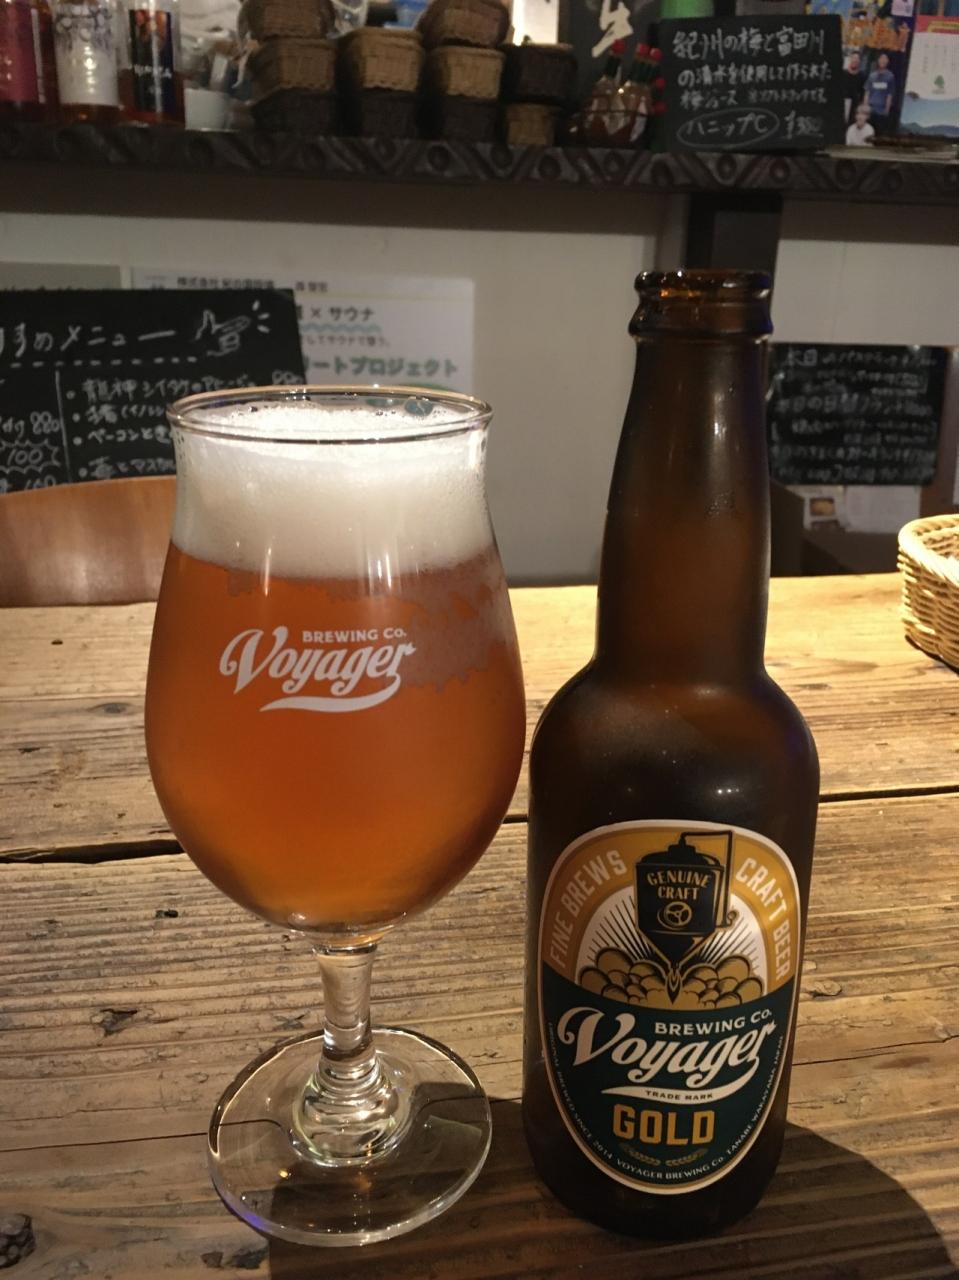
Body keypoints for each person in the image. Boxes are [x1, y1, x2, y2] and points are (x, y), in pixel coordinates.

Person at [864, 52, 896, 132]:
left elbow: (889, 95)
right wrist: (865, 108)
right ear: (878, 60)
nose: (883, 60)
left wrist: (887, 111)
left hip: (881, 111)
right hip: (870, 109)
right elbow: (867, 93)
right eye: (881, 58)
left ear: (888, 61)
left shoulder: (890, 76)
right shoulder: (872, 75)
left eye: (885, 58)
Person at [842, 51, 865, 124]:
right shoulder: (843, 73)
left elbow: (863, 92)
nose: (855, 60)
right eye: (853, 58)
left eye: (857, 59)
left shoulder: (862, 76)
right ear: (850, 59)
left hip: (855, 105)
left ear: (859, 61)